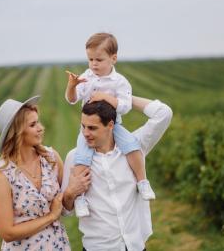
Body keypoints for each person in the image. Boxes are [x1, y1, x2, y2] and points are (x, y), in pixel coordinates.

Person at [61, 95, 173, 251]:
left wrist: (119, 100)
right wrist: (71, 192)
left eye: (92, 128)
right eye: (83, 126)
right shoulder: (74, 158)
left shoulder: (134, 147)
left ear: (111, 125)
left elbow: (164, 113)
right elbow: (65, 211)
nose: (85, 133)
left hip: (135, 246)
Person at [65, 32, 155, 217]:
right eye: (90, 59)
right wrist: (72, 86)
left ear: (113, 58)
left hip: (114, 124)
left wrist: (106, 97)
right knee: (81, 156)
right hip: (90, 124)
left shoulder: (120, 82)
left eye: (99, 59)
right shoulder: (87, 76)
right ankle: (80, 198)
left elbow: (125, 106)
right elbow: (72, 100)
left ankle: (142, 182)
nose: (94, 64)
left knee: (132, 146)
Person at [0, 95, 91, 250]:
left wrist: (71, 192)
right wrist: (50, 217)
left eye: (38, 122)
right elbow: (7, 232)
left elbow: (65, 208)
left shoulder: (51, 158)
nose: (40, 128)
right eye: (33, 124)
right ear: (17, 133)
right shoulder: (2, 174)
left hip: (58, 245)